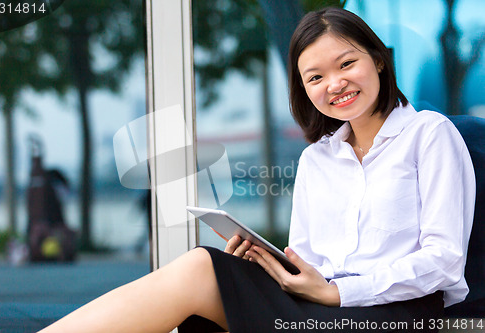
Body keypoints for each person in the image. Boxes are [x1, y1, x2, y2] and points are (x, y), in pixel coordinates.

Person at [39, 7, 475, 333]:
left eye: (346, 64)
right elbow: (310, 262)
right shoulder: (317, 159)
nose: (335, 84)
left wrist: (337, 292)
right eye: (315, 77)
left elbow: (444, 262)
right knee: (207, 270)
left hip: (398, 314)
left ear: (378, 60)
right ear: (304, 89)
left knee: (197, 272)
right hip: (323, 306)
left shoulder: (429, 134)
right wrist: (274, 266)